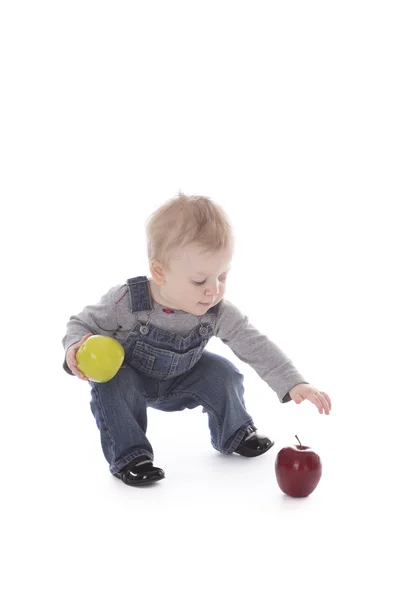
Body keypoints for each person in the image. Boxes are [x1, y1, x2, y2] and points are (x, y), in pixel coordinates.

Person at [62, 193, 332, 487]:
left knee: (222, 373)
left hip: (181, 380)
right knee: (112, 384)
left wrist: (293, 381)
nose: (213, 291)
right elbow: (82, 323)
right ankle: (131, 457)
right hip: (131, 380)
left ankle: (235, 432)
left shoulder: (215, 312)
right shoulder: (128, 301)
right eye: (199, 281)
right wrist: (74, 347)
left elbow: (253, 343)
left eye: (222, 277)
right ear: (159, 272)